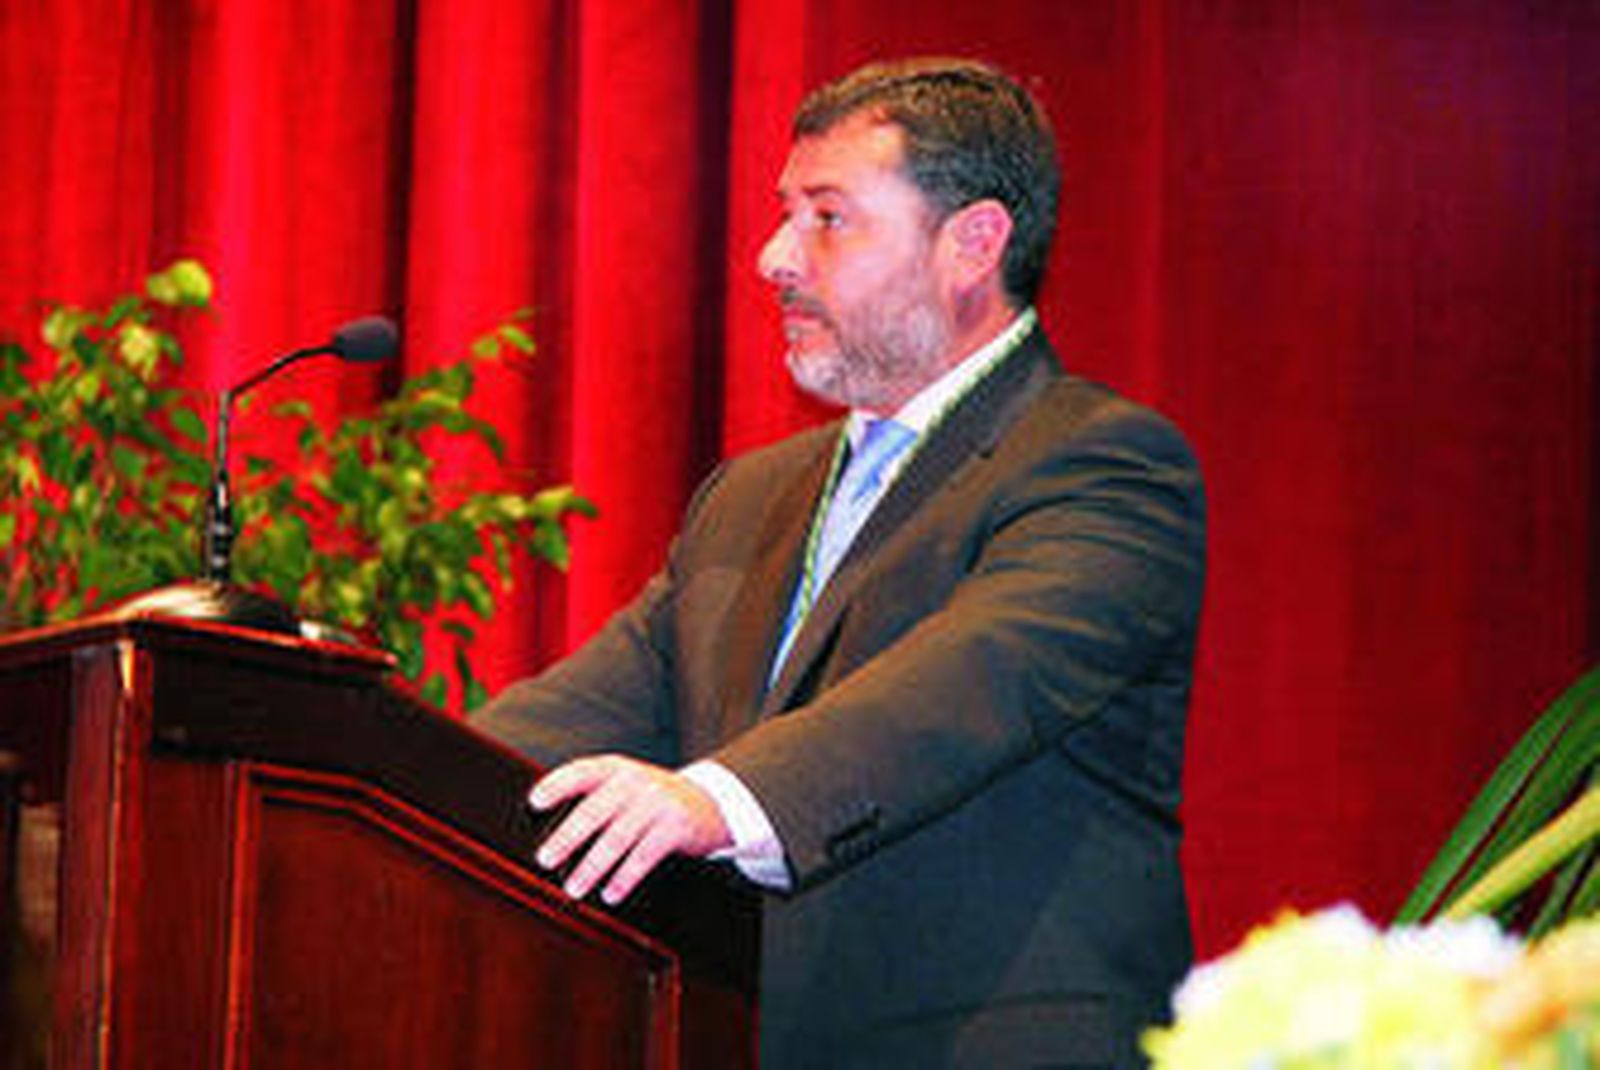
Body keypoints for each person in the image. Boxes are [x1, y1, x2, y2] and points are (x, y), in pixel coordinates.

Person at [474, 56, 1205, 1068]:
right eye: (785, 214)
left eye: (827, 216)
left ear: (973, 243)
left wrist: (708, 799)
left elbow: (962, 686)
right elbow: (560, 726)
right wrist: (351, 756)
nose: (773, 256)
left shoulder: (1102, 465)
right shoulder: (752, 496)